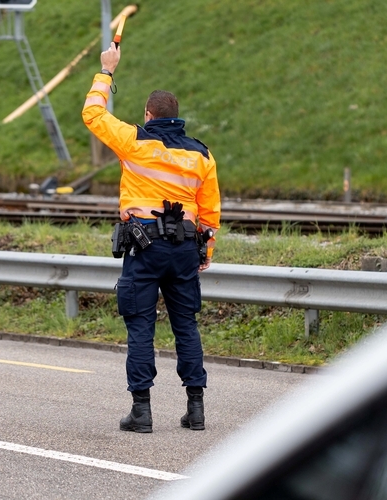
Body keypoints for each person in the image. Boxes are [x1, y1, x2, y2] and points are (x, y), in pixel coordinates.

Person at [83, 42, 221, 433]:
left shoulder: (134, 140)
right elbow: (210, 212)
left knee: (141, 325)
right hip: (184, 249)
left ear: (148, 114)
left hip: (144, 248)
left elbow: (93, 113)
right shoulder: (202, 155)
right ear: (177, 117)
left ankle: (141, 412)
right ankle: (196, 409)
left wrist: (107, 70)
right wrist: (205, 252)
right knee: (186, 326)